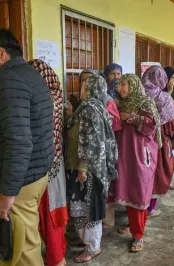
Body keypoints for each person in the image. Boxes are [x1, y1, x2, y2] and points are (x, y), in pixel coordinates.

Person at [0, 29, 54, 265]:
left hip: (20, 182)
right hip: (34, 173)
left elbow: (19, 140)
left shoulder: (8, 79)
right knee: (28, 241)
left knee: (22, 253)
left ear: (1, 53)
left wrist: (8, 194)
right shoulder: (31, 73)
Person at [65, 74, 118, 263]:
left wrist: (82, 168)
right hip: (84, 169)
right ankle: (87, 242)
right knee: (82, 208)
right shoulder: (89, 108)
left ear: (92, 89)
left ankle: (93, 247)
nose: (82, 88)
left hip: (88, 170)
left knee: (89, 210)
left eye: (85, 85)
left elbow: (92, 143)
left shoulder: (90, 110)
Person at [114, 74, 161, 252]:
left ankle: (138, 235)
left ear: (133, 85)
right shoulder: (119, 103)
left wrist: (133, 118)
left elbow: (152, 127)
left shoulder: (145, 102)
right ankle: (133, 225)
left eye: (124, 84)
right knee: (128, 189)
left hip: (141, 154)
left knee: (139, 192)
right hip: (125, 153)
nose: (121, 88)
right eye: (119, 85)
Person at [29, 59, 68, 266]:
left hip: (42, 164)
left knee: (46, 213)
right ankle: (56, 255)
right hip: (55, 160)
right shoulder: (56, 95)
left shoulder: (42, 99)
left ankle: (54, 257)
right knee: (51, 212)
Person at [142, 65, 174, 217]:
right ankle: (150, 209)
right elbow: (173, 124)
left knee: (142, 175)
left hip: (140, 144)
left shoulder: (138, 95)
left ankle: (138, 208)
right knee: (157, 175)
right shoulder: (163, 98)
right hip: (159, 144)